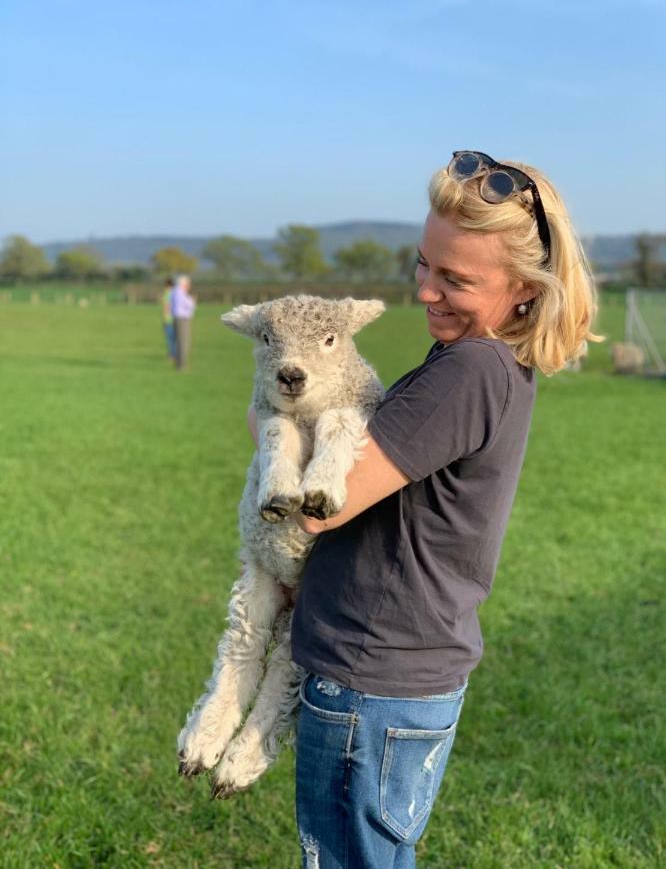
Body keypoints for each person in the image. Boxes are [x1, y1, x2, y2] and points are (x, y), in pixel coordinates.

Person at [249, 151, 600, 868]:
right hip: (395, 676)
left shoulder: (470, 371)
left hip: (370, 679)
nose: (426, 291)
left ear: (525, 290)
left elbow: (317, 507)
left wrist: (274, 417)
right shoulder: (484, 360)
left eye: (456, 279)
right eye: (423, 265)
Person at [171, 274, 196, 371]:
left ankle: (179, 363)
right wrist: (192, 300)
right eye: (188, 284)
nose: (189, 286)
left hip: (179, 318)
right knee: (184, 342)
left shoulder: (177, 292)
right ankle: (182, 365)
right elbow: (188, 304)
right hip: (182, 318)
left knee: (181, 341)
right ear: (184, 284)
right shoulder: (180, 292)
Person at [161, 278, 176, 363]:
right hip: (177, 319)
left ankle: (171, 356)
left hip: (168, 320)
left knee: (170, 339)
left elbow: (166, 307)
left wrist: (164, 318)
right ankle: (176, 354)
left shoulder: (167, 294)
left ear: (167, 286)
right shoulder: (176, 293)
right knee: (175, 339)